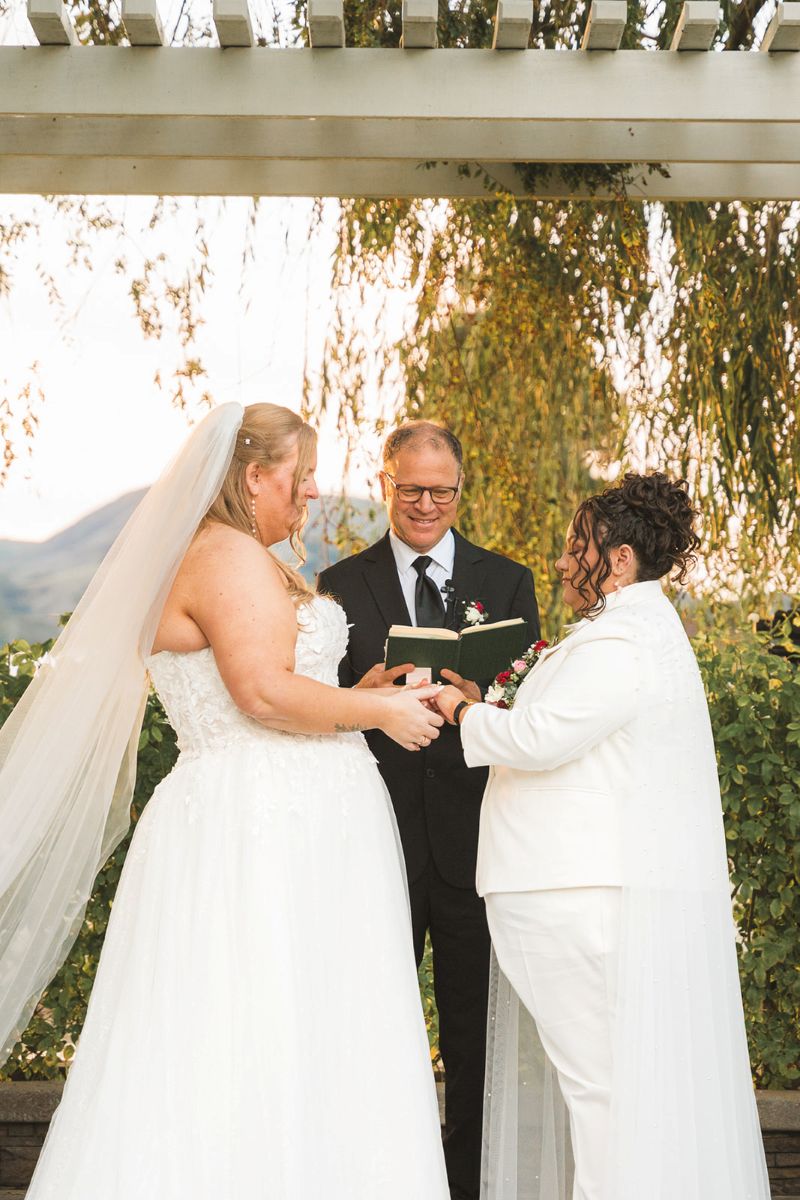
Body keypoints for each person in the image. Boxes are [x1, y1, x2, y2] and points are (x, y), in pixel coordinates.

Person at [0, 402, 451, 1199]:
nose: (309, 495)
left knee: (287, 1031)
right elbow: (261, 697)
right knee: (254, 1034)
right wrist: (380, 712)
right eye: (299, 479)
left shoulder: (232, 554)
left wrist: (354, 693)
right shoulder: (227, 557)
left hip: (274, 819)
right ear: (253, 477)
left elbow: (275, 681)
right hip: (260, 827)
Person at [434, 472, 771, 1200]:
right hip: (570, 891)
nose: (560, 563)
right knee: (609, 1086)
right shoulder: (635, 631)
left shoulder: (621, 640)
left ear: (617, 560)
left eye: (573, 547)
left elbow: (538, 737)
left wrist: (461, 714)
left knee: (601, 1092)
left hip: (568, 894)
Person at [317, 421, 539, 1200]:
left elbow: (526, 705)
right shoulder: (341, 584)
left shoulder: (506, 580)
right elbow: (321, 706)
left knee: (473, 1035)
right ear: (385, 482)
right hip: (375, 834)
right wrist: (361, 695)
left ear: (460, 488)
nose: (425, 504)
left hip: (477, 838)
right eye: (410, 488)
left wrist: (487, 698)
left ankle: (469, 1184)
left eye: (441, 491)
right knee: (373, 1021)